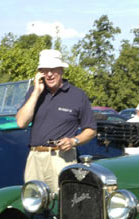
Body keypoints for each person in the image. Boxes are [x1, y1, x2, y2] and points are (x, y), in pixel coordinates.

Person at [16, 49, 96, 192]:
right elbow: (21, 122)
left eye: (53, 69)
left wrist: (73, 141)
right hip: (35, 157)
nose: (50, 74)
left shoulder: (77, 95)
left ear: (62, 70)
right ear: (40, 73)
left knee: (63, 202)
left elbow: (91, 130)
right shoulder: (34, 92)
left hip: (62, 158)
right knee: (33, 203)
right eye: (45, 70)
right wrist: (36, 92)